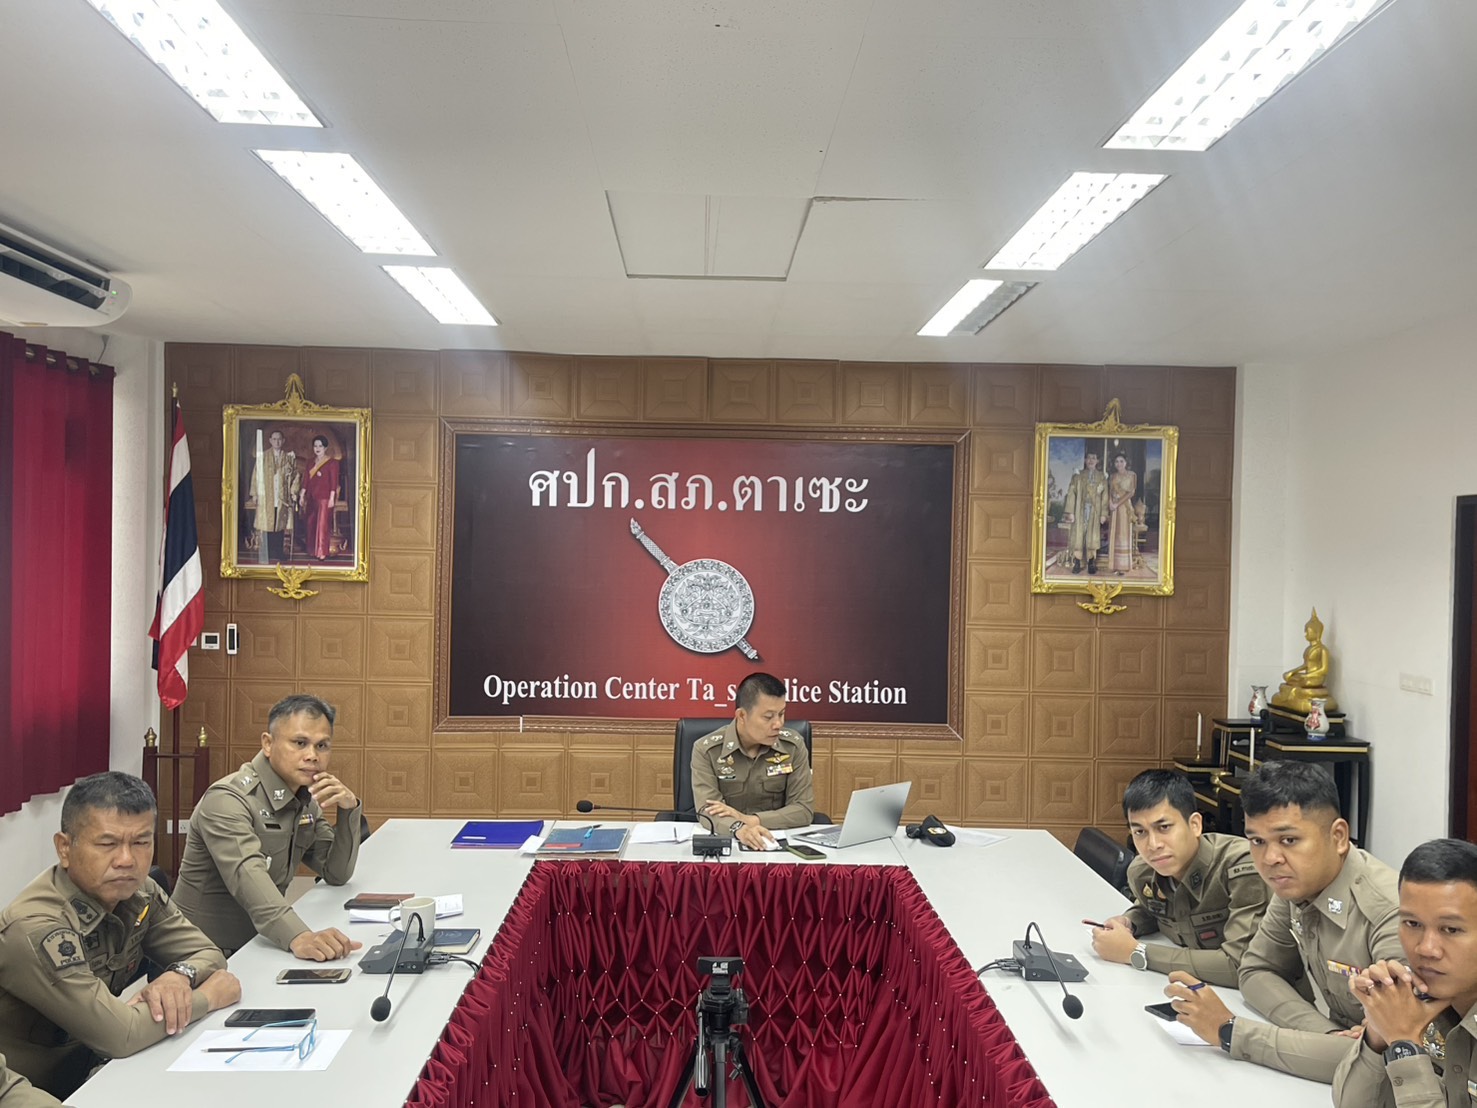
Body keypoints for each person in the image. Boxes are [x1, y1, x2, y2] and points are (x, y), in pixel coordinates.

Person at [0, 773, 239, 1100]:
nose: (127, 860)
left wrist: (178, 977)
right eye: (107, 844)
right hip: (37, 1092)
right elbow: (120, 1034)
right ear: (65, 848)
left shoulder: (139, 893)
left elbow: (207, 954)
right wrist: (208, 997)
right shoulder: (37, 927)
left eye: (141, 842)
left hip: (100, 1073)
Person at [1163, 760, 1400, 1082]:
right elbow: (1256, 971)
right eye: (1257, 841)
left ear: (1339, 836)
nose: (1270, 859)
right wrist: (1325, 1033)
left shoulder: (1393, 915)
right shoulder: (1295, 884)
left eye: (1288, 840)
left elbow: (1390, 1060)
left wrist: (1230, 1031)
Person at [173, 694, 364, 959]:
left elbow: (336, 873)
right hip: (200, 952)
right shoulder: (228, 800)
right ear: (268, 743)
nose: (312, 756)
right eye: (300, 743)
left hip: (259, 943)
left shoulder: (303, 799)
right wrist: (299, 936)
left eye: (322, 746)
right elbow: (248, 877)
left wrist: (349, 809)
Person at [1088, 770, 1270, 987]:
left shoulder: (1241, 866)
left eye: (1164, 827)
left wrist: (1136, 952)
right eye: (1140, 832)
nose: (1153, 845)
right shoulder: (1142, 871)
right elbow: (1154, 910)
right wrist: (1130, 923)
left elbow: (1239, 965)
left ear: (1195, 825)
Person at [1333, 838, 1477, 1107]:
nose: (1426, 949)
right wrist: (1378, 1032)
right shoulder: (1419, 997)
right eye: (1412, 924)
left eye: (1451, 929)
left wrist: (1404, 1045)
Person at [690, 672, 814, 851]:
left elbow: (803, 810)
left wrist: (749, 820)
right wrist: (739, 828)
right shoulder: (707, 750)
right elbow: (707, 811)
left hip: (777, 843)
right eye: (768, 717)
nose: (778, 724)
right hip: (729, 844)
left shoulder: (793, 746)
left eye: (781, 714)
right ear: (741, 716)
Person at [250, 428, 299, 563]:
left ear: (283, 441)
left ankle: (278, 552)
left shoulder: (288, 458)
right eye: (274, 439)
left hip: (282, 497)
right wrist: (255, 493)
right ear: (270, 441)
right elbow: (256, 475)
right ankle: (268, 551)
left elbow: (295, 476)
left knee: (280, 524)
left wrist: (294, 492)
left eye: (279, 439)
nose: (277, 442)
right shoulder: (263, 457)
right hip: (267, 497)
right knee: (268, 524)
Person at [1061, 449, 1108, 574]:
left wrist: (1103, 514)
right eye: (1089, 458)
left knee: (1093, 535)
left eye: (1093, 458)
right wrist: (1071, 512)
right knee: (1078, 535)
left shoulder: (1102, 477)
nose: (1091, 460)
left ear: (1097, 461)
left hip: (1094, 511)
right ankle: (1077, 562)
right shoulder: (1078, 476)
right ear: (1085, 460)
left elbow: (1105, 497)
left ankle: (1091, 562)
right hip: (1079, 510)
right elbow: (1071, 493)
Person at [298, 434, 341, 561]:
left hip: (325, 498)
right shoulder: (310, 462)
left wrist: (332, 498)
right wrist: (302, 495)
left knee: (322, 526)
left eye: (320, 446)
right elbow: (306, 480)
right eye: (315, 446)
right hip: (311, 497)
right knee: (311, 523)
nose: (317, 448)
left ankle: (322, 552)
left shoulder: (332, 463)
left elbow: (334, 482)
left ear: (325, 448)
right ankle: (312, 550)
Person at [1106, 451, 1138, 574]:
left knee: (1123, 534)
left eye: (1121, 461)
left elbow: (1131, 493)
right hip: (1114, 509)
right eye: (1116, 462)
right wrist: (1110, 503)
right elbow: (1109, 491)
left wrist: (1117, 503)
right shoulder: (1113, 476)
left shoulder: (1132, 475)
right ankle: (1114, 564)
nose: (1119, 464)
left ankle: (1124, 565)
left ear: (1126, 463)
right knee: (1115, 533)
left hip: (1124, 508)